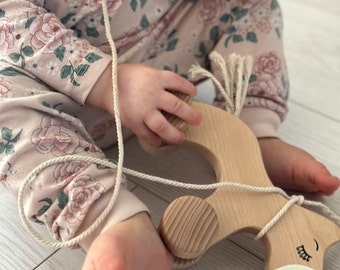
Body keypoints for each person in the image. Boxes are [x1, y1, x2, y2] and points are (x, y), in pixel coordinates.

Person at [0, 0, 339, 269]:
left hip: (160, 58)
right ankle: (108, 217)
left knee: (252, 5)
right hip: (46, 87)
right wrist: (108, 81)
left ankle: (252, 131)